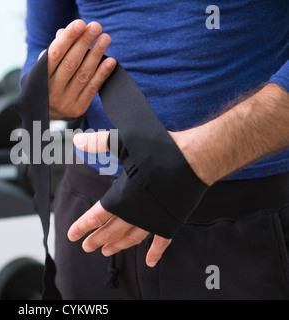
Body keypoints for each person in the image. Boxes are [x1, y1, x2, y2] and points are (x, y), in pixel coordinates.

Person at [21, 0, 289, 299]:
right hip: (93, 208)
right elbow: (38, 45)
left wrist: (204, 154)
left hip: (241, 214)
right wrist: (48, 93)